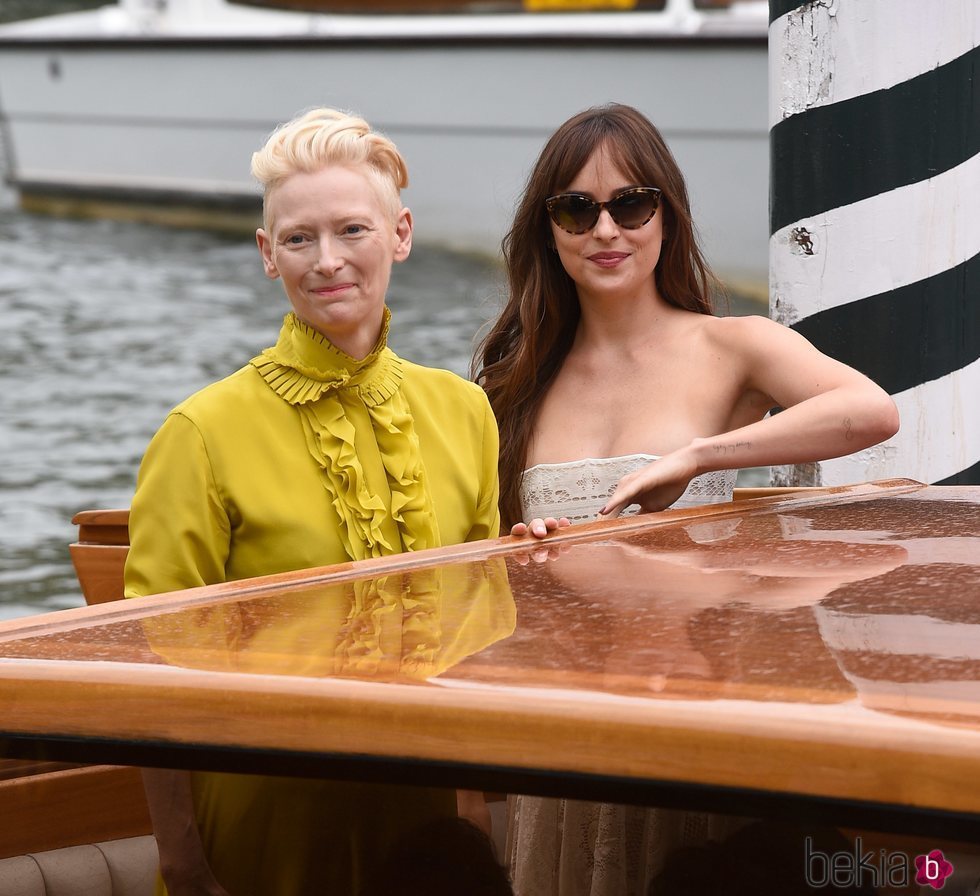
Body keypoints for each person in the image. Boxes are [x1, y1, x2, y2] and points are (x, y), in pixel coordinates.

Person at [474, 103, 899, 895]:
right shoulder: (515, 382)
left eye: (630, 204)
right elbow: (487, 570)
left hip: (692, 707)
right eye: (576, 208)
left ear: (666, 213)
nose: (606, 230)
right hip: (567, 719)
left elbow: (870, 410)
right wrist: (522, 544)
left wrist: (700, 453)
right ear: (548, 230)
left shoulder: (730, 346)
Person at [124, 107, 501, 896]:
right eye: (299, 239)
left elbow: (478, 641)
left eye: (352, 231)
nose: (327, 261)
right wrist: (183, 858)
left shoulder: (465, 412)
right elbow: (151, 671)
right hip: (264, 832)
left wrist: (477, 825)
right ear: (269, 255)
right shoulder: (201, 432)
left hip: (427, 831)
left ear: (400, 234)